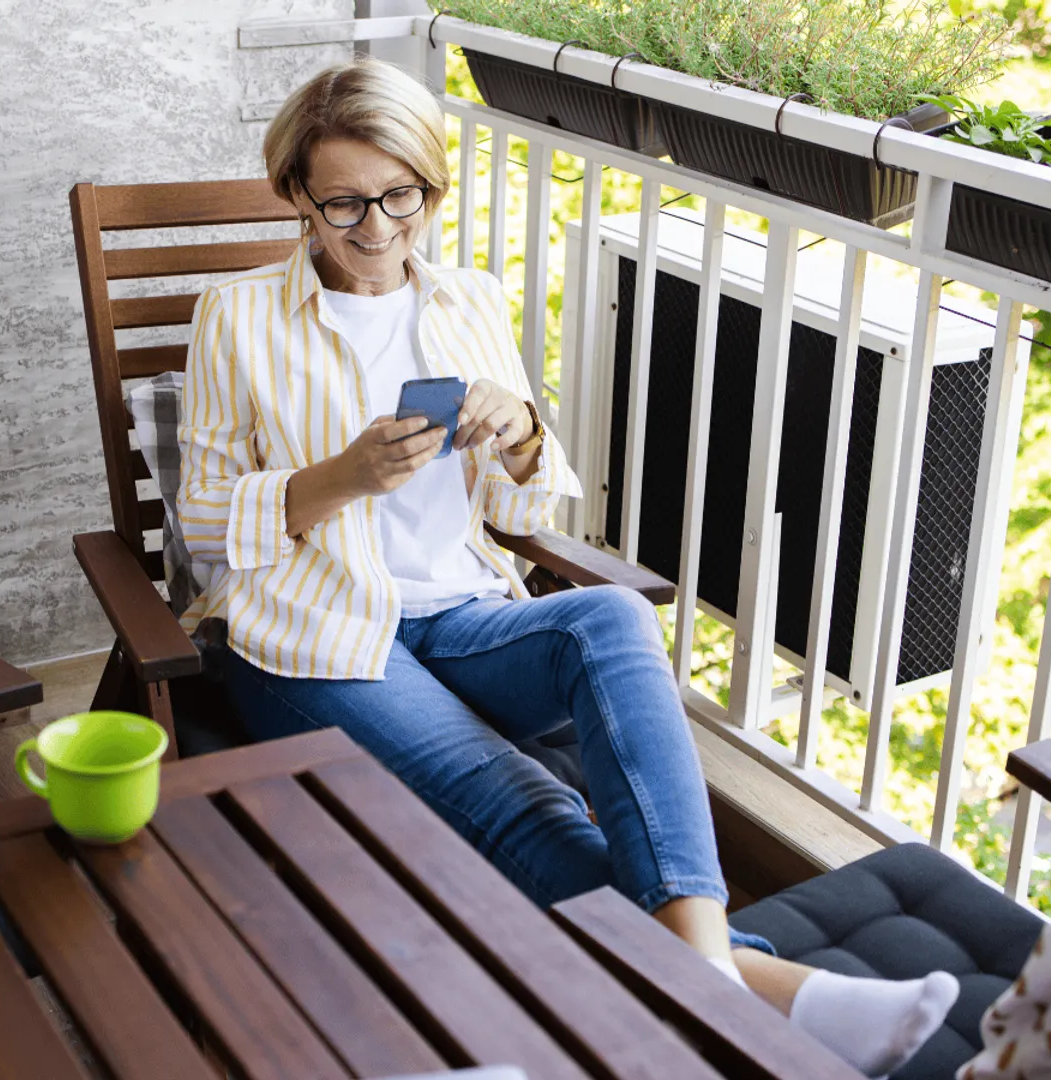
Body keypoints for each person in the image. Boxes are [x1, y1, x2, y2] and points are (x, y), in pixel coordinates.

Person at [176, 56, 957, 1077]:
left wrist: (526, 444)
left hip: (461, 610)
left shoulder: (467, 302)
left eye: (401, 197)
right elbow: (203, 528)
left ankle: (706, 978)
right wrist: (340, 475)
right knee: (522, 799)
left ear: (430, 187)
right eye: (344, 204)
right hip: (313, 635)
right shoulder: (234, 319)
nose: (376, 228)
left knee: (616, 621)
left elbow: (523, 512)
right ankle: (754, 987)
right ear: (296, 195)